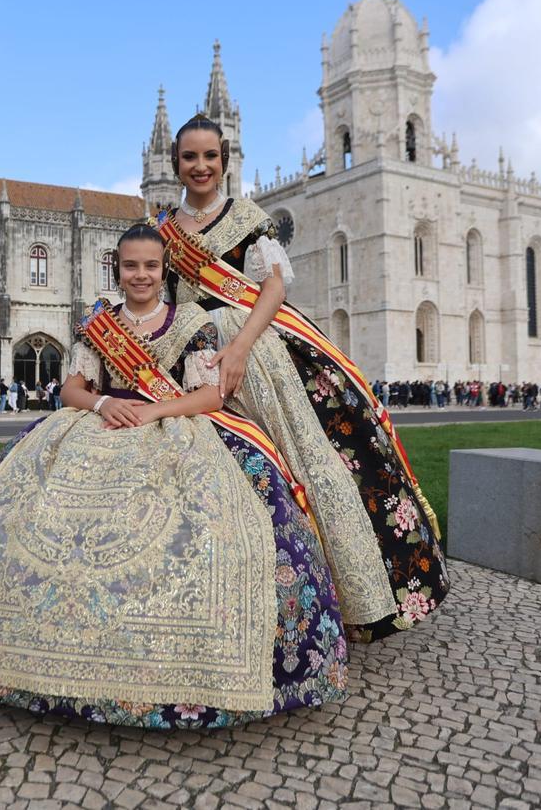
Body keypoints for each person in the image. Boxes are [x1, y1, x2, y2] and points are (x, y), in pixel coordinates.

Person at [0, 224, 351, 729]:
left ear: (163, 269)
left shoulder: (192, 322)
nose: (141, 275)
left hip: (173, 427)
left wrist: (154, 412)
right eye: (131, 266)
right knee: (20, 513)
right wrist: (105, 402)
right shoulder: (99, 324)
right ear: (118, 269)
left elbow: (211, 397)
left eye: (150, 265)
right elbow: (73, 390)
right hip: (96, 426)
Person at [156, 114, 448, 642]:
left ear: (224, 162)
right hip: (188, 356)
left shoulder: (246, 216)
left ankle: (345, 600)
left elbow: (271, 289)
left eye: (210, 157)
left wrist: (240, 347)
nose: (200, 166)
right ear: (174, 163)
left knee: (304, 461)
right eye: (189, 157)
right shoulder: (165, 231)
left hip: (254, 352)